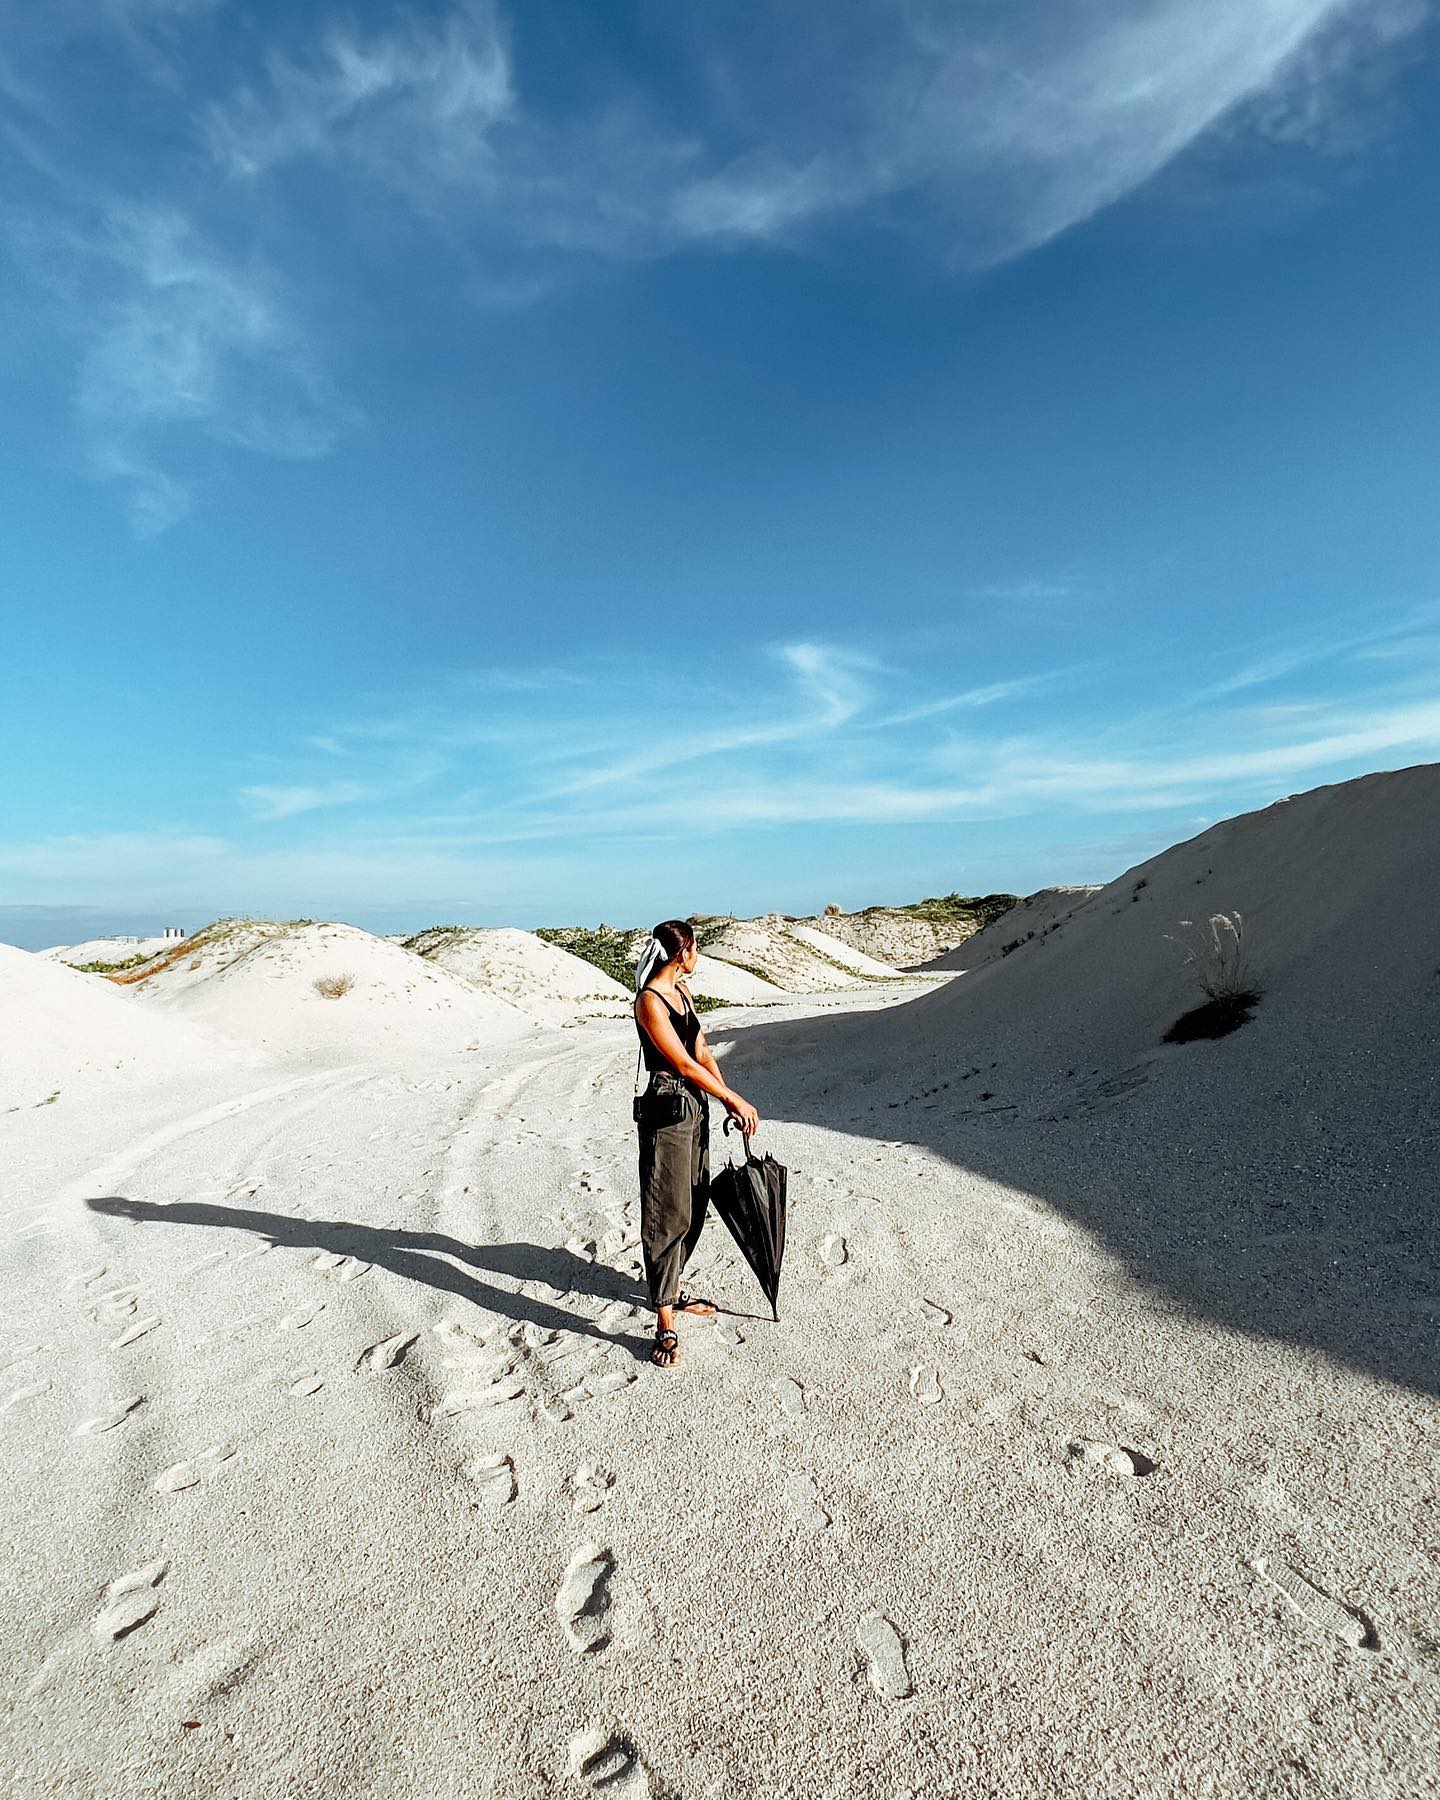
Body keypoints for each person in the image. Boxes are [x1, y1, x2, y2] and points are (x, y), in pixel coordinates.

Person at [632, 919, 759, 1369]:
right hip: (667, 1109)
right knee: (667, 1208)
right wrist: (732, 1097)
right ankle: (665, 1320)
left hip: (694, 1108)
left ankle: (671, 1286)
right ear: (679, 953)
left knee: (694, 1201)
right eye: (695, 948)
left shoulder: (682, 995)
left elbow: (703, 1053)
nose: (698, 956)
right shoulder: (649, 1001)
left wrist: (725, 1099)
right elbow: (682, 1064)